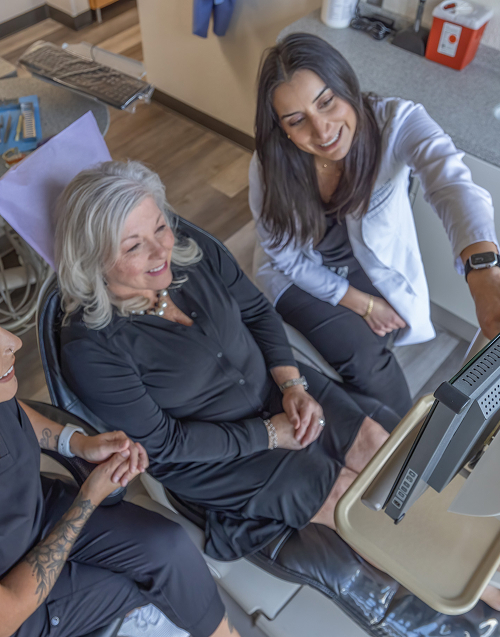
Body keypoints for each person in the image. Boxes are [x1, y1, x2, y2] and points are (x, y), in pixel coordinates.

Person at [56, 160, 394, 570]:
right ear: (93, 259)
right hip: (216, 457)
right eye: (133, 247)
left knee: (381, 448)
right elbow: (167, 443)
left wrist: (292, 385)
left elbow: (257, 312)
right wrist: (270, 434)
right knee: (345, 501)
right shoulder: (90, 346)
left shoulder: (190, 253)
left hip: (275, 388)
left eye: (160, 227)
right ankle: (455, 585)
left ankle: (461, 541)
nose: (161, 251)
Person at [0, 324, 321, 637]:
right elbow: (9, 610)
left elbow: (10, 409)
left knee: (168, 546)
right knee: (154, 583)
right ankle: (125, 607)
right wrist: (87, 501)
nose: (14, 341)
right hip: (14, 612)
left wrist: (77, 443)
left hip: (28, 511)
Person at [250, 33, 500, 419]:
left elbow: (452, 185)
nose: (322, 131)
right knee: (369, 366)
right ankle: (396, 438)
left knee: (384, 335)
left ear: (346, 83)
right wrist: (363, 304)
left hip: (367, 263)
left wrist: (484, 273)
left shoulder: (395, 122)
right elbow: (285, 257)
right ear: (281, 127)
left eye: (327, 102)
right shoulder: (269, 163)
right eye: (297, 120)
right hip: (297, 274)